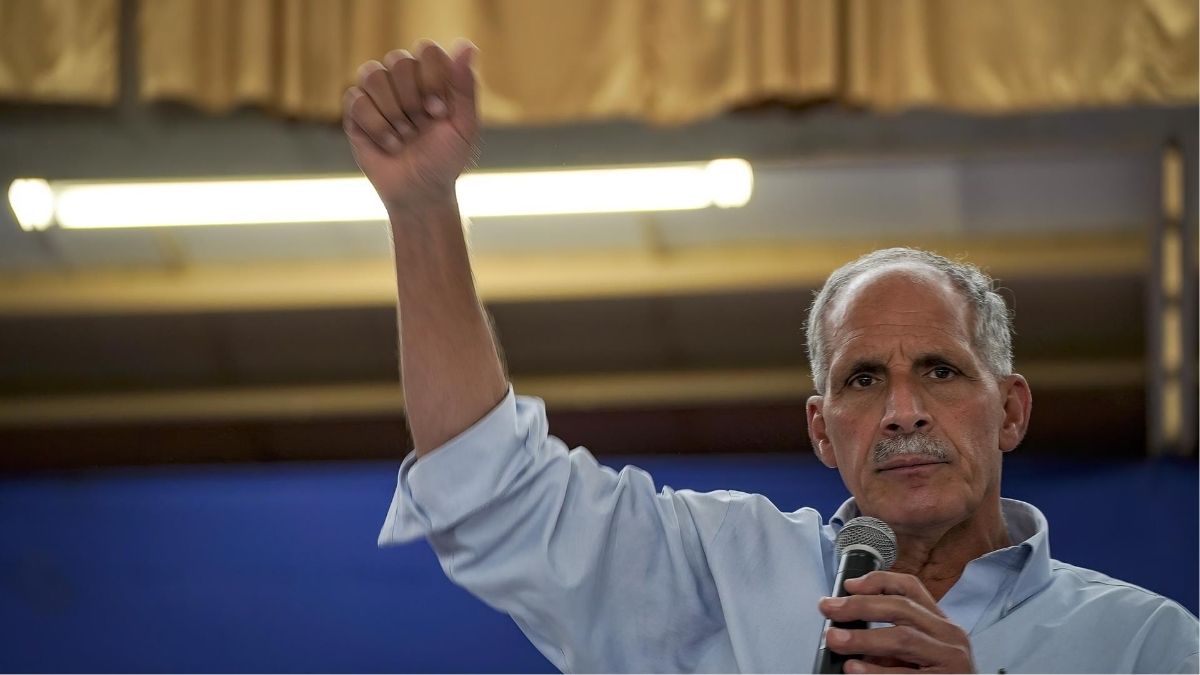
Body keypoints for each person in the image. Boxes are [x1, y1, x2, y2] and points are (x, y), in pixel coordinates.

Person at [343, 40, 1200, 673]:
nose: (903, 411)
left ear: (1010, 409)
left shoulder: (1144, 644)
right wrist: (421, 212)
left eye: (940, 370)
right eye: (864, 379)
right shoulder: (721, 575)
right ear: (822, 431)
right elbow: (490, 490)